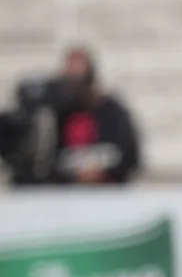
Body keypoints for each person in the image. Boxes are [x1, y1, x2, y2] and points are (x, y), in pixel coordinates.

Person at [50, 46, 141, 185]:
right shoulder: (58, 114)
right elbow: (49, 159)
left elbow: (129, 154)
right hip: (67, 195)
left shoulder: (112, 110)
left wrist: (101, 172)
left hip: (108, 192)